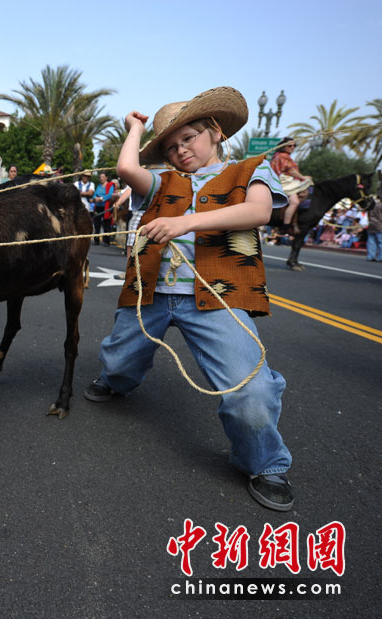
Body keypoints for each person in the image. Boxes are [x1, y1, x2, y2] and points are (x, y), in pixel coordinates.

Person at [84, 86, 294, 512]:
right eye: (170, 146)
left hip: (219, 300)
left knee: (250, 392)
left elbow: (259, 211)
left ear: (215, 131)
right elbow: (127, 167)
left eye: (189, 137)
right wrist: (135, 128)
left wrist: (186, 222)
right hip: (150, 295)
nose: (180, 150)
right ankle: (117, 381)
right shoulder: (161, 182)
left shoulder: (252, 168)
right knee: (118, 362)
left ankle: (265, 463)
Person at [270, 137, 312, 232]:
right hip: (283, 182)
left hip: (285, 181)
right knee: (295, 202)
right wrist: (302, 177)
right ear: (283, 147)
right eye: (290, 146)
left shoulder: (280, 156)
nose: (292, 147)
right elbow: (291, 171)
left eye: (294, 146)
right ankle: (286, 225)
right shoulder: (283, 156)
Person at [91, 172, 116, 246]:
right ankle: (96, 240)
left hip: (106, 206)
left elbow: (110, 195)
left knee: (106, 224)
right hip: (98, 206)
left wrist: (101, 198)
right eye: (100, 177)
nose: (101, 178)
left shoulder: (110, 185)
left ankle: (106, 241)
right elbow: (94, 194)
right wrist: (95, 198)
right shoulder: (99, 186)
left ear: (106, 178)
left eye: (102, 177)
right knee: (96, 223)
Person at [366, 196, 382, 261]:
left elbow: (368, 215)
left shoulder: (371, 205)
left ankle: (370, 256)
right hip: (379, 225)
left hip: (371, 224)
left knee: (371, 241)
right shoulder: (380, 205)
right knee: (380, 242)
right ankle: (380, 257)